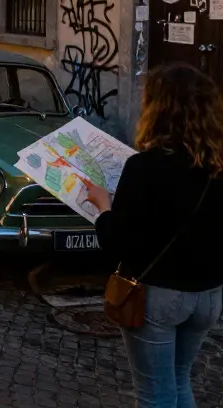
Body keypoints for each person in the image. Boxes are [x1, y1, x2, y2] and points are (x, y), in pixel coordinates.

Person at [88, 63, 223, 408]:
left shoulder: (145, 167)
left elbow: (119, 241)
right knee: (179, 381)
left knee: (155, 393)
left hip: (158, 296)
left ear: (157, 110)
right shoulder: (218, 165)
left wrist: (103, 207)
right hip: (208, 295)